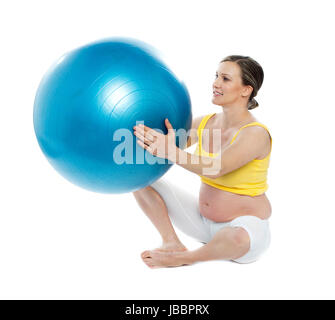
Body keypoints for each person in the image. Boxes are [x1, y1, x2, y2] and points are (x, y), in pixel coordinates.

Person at [132, 55, 272, 268]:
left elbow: (217, 167)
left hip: (245, 229)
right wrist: (153, 137)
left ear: (246, 90)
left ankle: (183, 259)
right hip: (203, 223)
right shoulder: (207, 123)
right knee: (138, 180)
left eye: (225, 78)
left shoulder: (255, 134)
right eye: (216, 76)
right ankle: (172, 243)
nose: (216, 83)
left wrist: (171, 151)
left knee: (237, 239)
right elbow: (171, 143)